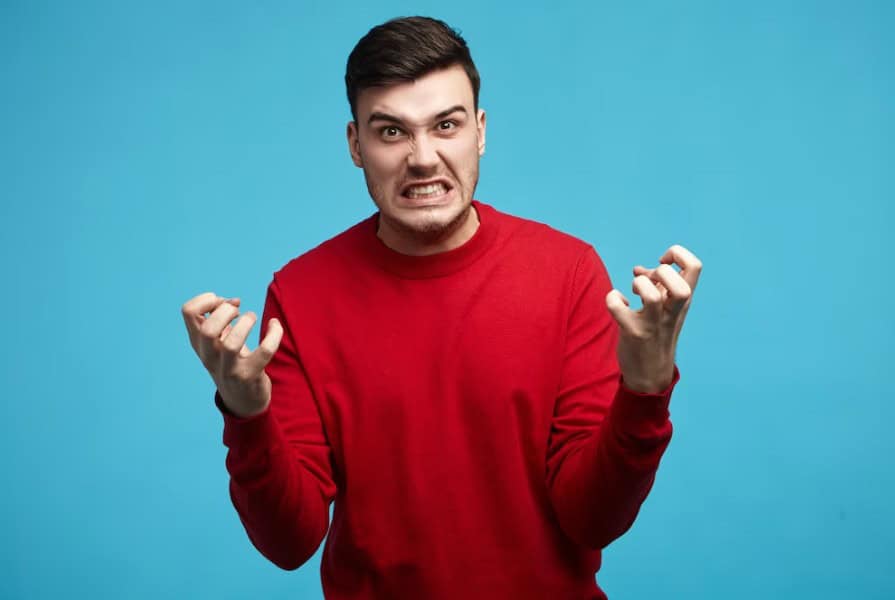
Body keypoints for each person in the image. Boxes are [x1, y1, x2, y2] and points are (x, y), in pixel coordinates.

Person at [181, 16, 702, 600]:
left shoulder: (569, 272)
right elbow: (289, 543)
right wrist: (247, 414)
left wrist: (646, 388)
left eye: (446, 125)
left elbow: (594, 520)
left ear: (479, 131)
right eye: (392, 133)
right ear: (356, 145)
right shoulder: (301, 293)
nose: (423, 158)